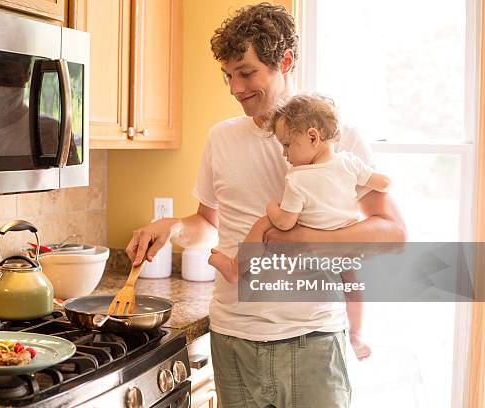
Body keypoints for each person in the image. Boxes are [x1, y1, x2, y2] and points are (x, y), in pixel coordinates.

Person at [126, 3, 406, 407]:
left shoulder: (333, 136)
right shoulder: (221, 138)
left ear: (284, 61)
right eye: (227, 76)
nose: (235, 88)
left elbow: (393, 232)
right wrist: (170, 226)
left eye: (246, 73)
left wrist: (309, 238)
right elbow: (207, 222)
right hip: (233, 339)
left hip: (313, 340)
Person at [209, 93, 391, 361]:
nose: (284, 154)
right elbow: (383, 182)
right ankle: (356, 335)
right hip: (342, 247)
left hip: (311, 243)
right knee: (354, 286)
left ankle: (236, 267)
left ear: (313, 137)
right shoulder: (349, 163)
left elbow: (285, 221)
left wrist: (270, 207)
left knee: (263, 223)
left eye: (286, 146)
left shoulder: (298, 179)